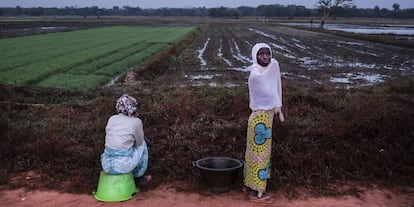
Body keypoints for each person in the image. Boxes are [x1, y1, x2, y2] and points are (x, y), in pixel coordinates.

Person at [244, 43, 285, 204]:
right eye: (261, 54)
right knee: (259, 156)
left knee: (256, 155)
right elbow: (268, 94)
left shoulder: (273, 66)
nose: (266, 57)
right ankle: (257, 193)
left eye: (268, 54)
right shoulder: (255, 75)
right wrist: (277, 105)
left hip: (267, 120)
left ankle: (249, 186)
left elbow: (276, 84)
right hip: (259, 121)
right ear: (255, 56)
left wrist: (277, 107)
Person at [100, 94, 151, 187]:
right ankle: (138, 177)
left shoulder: (112, 118)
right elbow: (139, 142)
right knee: (143, 143)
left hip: (106, 165)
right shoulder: (136, 121)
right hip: (123, 166)